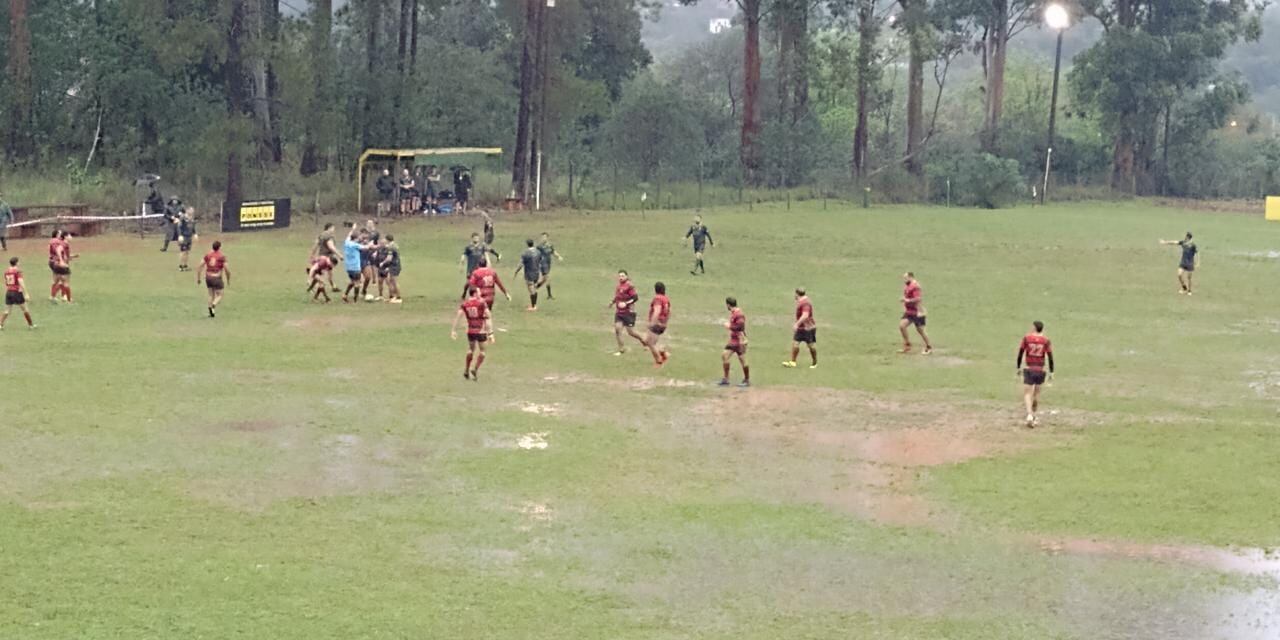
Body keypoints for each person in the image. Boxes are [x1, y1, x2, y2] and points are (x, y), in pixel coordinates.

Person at [1016, 321, 1055, 428]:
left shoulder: (1027, 338)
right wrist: (1052, 372)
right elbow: (1050, 357)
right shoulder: (1046, 341)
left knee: (1027, 394)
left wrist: (1018, 367)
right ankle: (1034, 416)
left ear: (1034, 328)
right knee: (1036, 395)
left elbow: (1020, 353)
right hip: (1040, 370)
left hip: (1029, 368)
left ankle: (1029, 415)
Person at [451, 286, 493, 381]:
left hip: (470, 331)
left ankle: (466, 369)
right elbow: (488, 315)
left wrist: (454, 330)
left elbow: (458, 316)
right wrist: (490, 331)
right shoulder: (481, 303)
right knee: (482, 351)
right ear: (474, 293)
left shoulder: (465, 304)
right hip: (481, 330)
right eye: (478, 292)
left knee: (471, 349)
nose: (480, 294)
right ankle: (475, 368)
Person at [609, 270, 645, 355]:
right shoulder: (618, 286)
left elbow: (635, 298)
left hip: (628, 312)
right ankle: (621, 349)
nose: (621, 277)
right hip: (619, 313)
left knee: (631, 332)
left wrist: (626, 303)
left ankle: (644, 341)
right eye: (619, 276)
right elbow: (617, 296)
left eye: (622, 276)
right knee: (618, 329)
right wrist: (612, 302)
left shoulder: (630, 286)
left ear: (626, 276)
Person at [899, 272, 932, 355]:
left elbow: (918, 299)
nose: (904, 280)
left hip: (918, 312)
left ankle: (928, 347)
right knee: (902, 326)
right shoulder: (908, 286)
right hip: (910, 311)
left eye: (905, 278)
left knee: (920, 330)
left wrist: (907, 300)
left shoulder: (915, 286)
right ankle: (907, 345)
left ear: (911, 277)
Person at [783, 288, 818, 369]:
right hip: (801, 328)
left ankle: (815, 362)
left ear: (797, 294)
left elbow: (805, 315)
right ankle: (793, 362)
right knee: (795, 343)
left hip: (808, 328)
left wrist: (796, 324)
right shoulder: (802, 301)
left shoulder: (805, 303)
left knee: (811, 345)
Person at [719, 297, 750, 387]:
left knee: (742, 360)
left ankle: (746, 380)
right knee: (725, 356)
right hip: (733, 340)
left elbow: (740, 326)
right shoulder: (734, 313)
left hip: (739, 340)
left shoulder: (738, 314)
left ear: (728, 305)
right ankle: (726, 379)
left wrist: (729, 326)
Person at [195, 240, 230, 318]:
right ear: (219, 247)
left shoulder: (208, 255)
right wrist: (228, 279)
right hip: (216, 277)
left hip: (208, 277)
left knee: (211, 295)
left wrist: (198, 278)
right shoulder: (222, 256)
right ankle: (213, 305)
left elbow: (199, 266)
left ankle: (211, 312)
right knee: (220, 295)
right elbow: (227, 270)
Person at [1, 257, 35, 330]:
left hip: (9, 291)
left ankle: (0, 324)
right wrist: (26, 293)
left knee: (7, 310)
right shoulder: (17, 271)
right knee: (25, 309)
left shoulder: (7, 271)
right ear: (16, 263)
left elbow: (6, 281)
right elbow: (20, 281)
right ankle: (31, 325)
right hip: (16, 292)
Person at [643, 282, 671, 367]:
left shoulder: (657, 299)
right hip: (662, 323)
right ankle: (663, 353)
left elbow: (657, 311)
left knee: (650, 343)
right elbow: (669, 312)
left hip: (657, 323)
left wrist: (652, 323)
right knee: (647, 341)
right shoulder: (666, 299)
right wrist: (665, 322)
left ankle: (659, 360)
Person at [311, 222, 342, 293]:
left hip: (321, 256)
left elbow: (315, 245)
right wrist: (339, 254)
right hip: (328, 257)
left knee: (326, 272)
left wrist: (312, 255)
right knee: (323, 273)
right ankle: (313, 287)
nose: (334, 230)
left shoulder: (321, 235)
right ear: (330, 227)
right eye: (333, 228)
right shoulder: (329, 235)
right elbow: (331, 247)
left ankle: (333, 286)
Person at [342, 228, 369, 303]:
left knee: (352, 281)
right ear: (356, 238)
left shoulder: (347, 242)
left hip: (348, 267)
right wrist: (370, 244)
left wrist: (352, 229)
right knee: (357, 283)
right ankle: (355, 299)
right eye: (358, 238)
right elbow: (366, 248)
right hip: (355, 267)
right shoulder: (355, 245)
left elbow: (348, 235)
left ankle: (345, 295)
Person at [515, 238, 542, 311]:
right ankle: (534, 304)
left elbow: (521, 264)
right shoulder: (538, 252)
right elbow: (540, 261)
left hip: (529, 273)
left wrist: (516, 271)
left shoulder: (525, 253)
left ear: (527, 244)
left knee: (531, 289)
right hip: (536, 272)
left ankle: (533, 307)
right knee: (535, 288)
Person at [459, 233, 488, 299]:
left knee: (480, 282)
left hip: (479, 268)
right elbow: (464, 255)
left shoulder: (482, 247)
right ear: (472, 239)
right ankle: (465, 292)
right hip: (471, 268)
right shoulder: (468, 247)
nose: (476, 239)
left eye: (477, 238)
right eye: (474, 238)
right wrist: (462, 263)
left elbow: (486, 254)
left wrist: (488, 263)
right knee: (468, 283)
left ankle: (478, 295)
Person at [536, 232, 562, 300]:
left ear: (547, 238)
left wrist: (558, 256)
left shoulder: (550, 245)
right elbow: (536, 254)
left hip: (548, 263)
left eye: (545, 237)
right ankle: (549, 295)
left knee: (544, 279)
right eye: (542, 237)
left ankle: (535, 288)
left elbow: (553, 252)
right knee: (547, 278)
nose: (543, 238)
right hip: (543, 264)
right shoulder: (539, 246)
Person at [48, 230, 72, 303]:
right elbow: (58, 250)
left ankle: (53, 297)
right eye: (70, 235)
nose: (71, 237)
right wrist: (61, 260)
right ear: (65, 237)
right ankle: (68, 300)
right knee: (65, 283)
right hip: (60, 264)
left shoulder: (54, 241)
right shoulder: (63, 243)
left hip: (55, 263)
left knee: (57, 281)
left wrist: (71, 257)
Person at [360, 219, 381, 301]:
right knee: (363, 269)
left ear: (373, 224)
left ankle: (374, 279)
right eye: (368, 223)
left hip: (372, 251)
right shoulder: (363, 232)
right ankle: (361, 282)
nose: (369, 224)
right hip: (364, 253)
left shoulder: (375, 233)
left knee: (373, 265)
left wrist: (376, 250)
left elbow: (377, 243)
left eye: (370, 223)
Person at [379, 234, 402, 304]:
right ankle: (393, 297)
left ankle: (398, 298)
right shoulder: (394, 245)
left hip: (394, 266)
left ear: (387, 239)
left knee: (394, 282)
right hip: (396, 265)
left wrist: (383, 263)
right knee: (390, 280)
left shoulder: (391, 247)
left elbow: (389, 258)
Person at [176, 207, 198, 271]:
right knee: (183, 251)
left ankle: (185, 265)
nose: (192, 212)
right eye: (191, 210)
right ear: (187, 211)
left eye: (193, 211)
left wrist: (195, 233)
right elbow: (179, 227)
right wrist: (180, 235)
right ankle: (180, 266)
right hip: (184, 237)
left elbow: (192, 227)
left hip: (189, 237)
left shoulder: (192, 218)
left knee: (187, 252)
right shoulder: (183, 218)